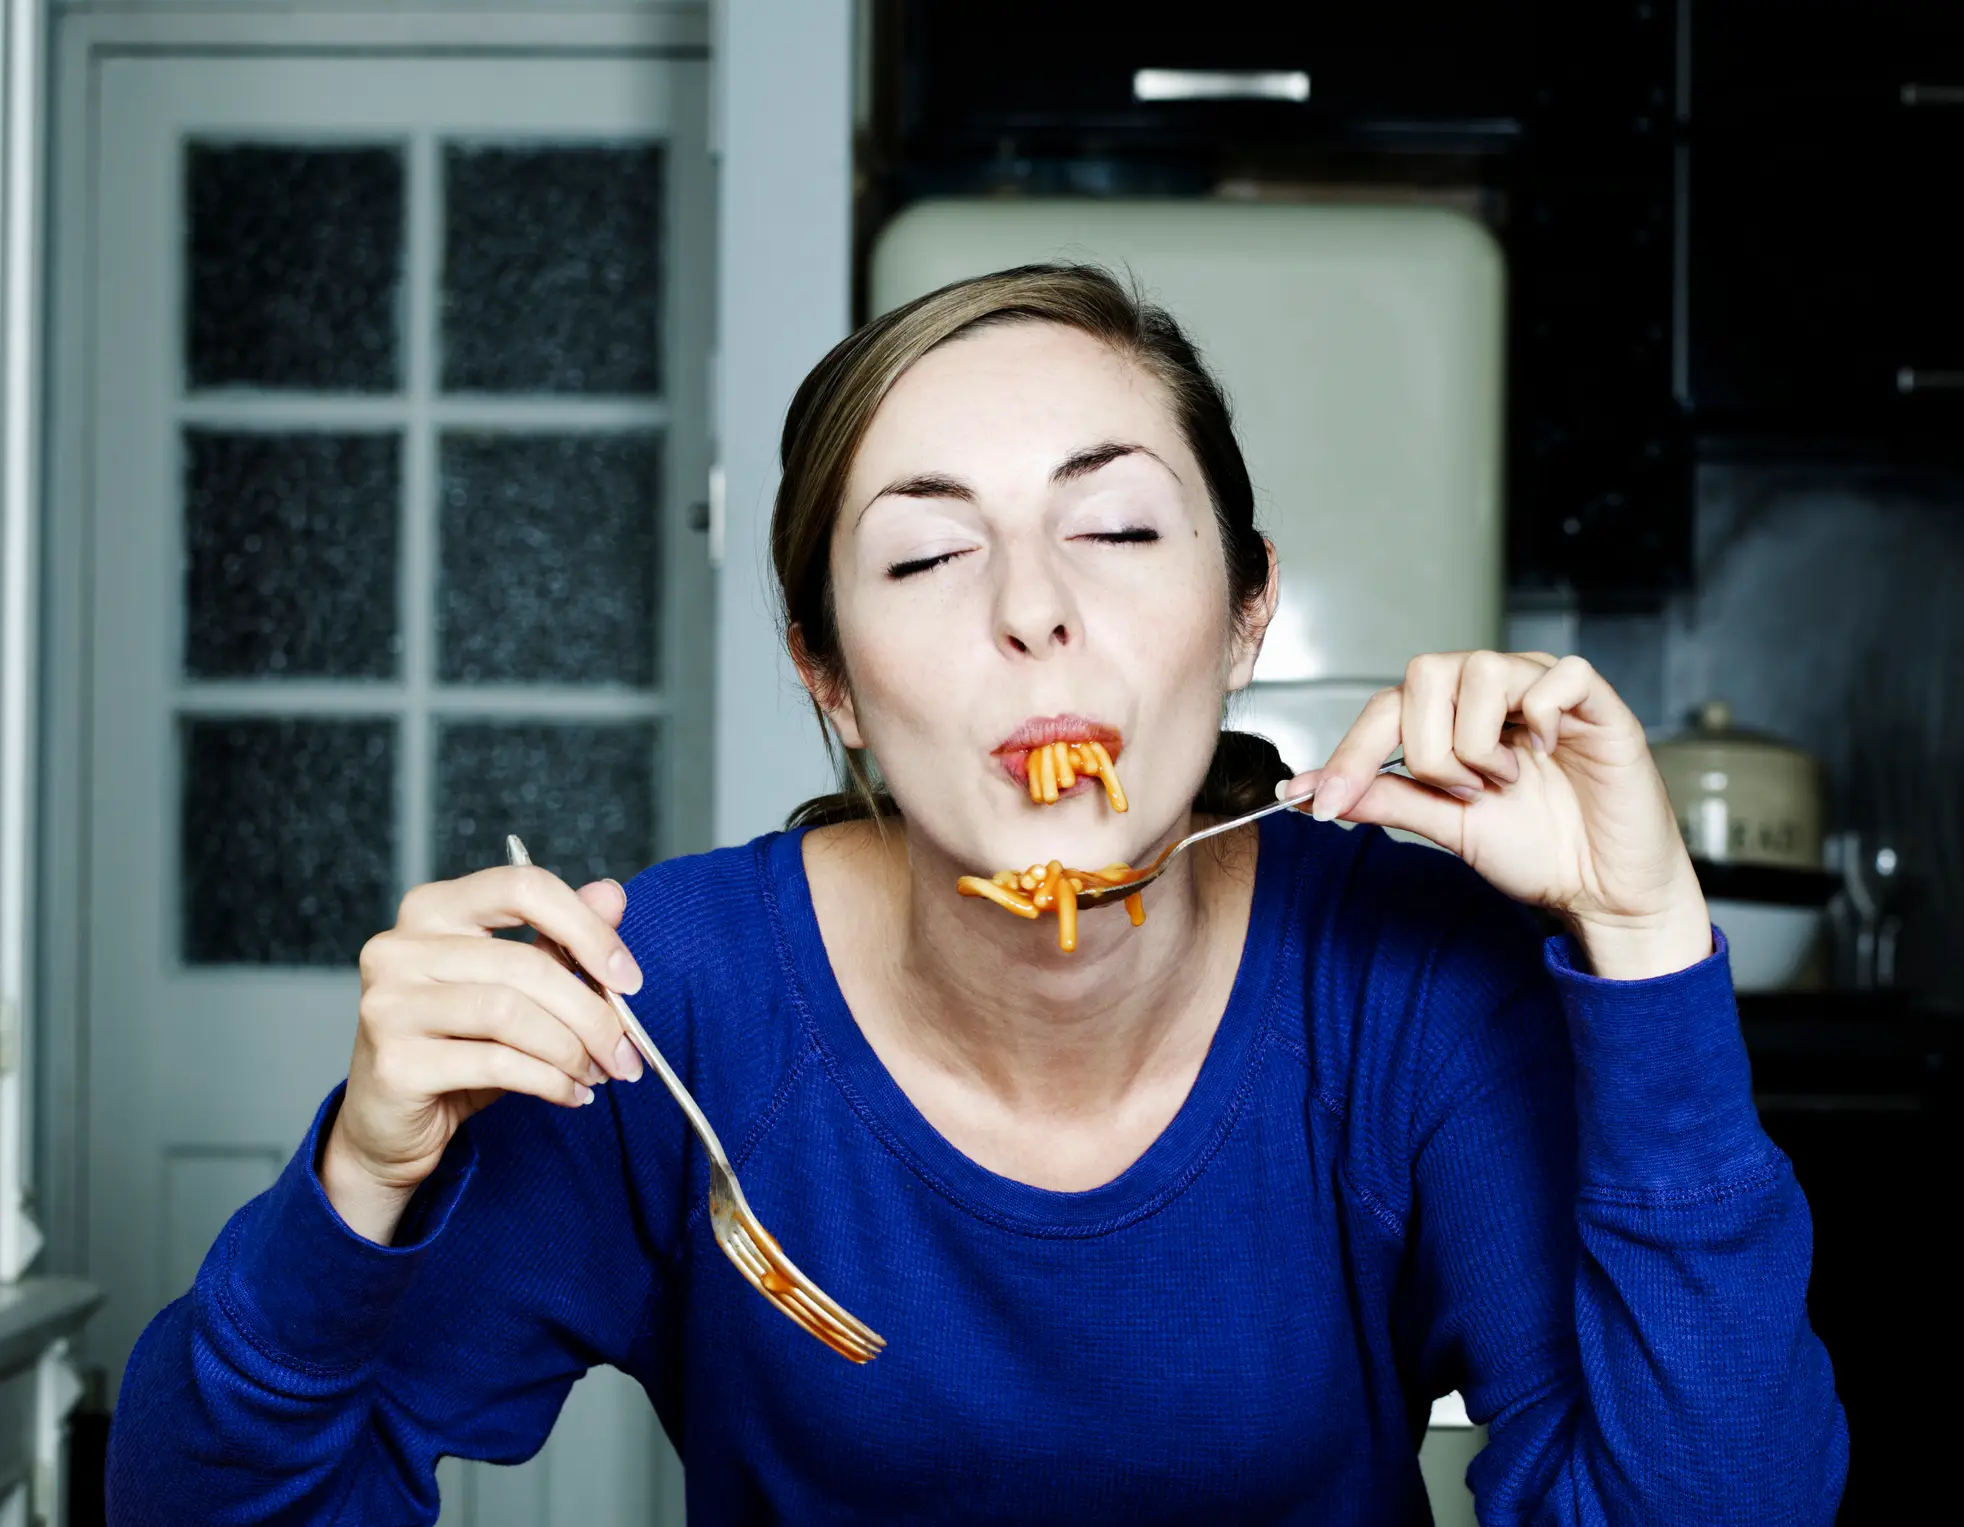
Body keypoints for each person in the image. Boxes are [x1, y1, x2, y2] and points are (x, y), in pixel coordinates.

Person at [108, 265, 1846, 1524]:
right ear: (834, 685)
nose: (1032, 609)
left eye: (1118, 528)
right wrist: (357, 1180)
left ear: (1248, 615)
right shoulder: (659, 1010)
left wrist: (1647, 947)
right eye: (930, 553)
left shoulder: (1408, 980)